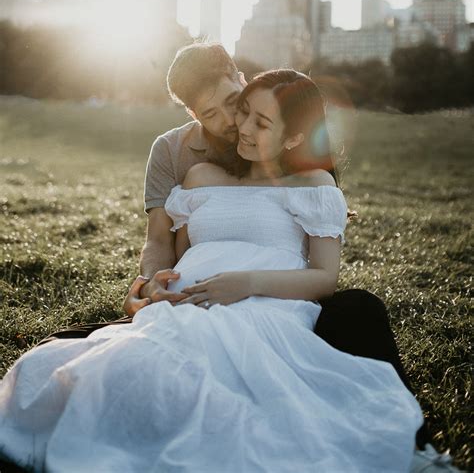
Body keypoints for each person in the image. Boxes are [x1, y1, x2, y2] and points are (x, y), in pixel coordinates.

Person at [0, 68, 459, 472]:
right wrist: (154, 283)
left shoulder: (314, 186)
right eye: (244, 114)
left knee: (246, 391)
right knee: (77, 369)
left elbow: (325, 279)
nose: (240, 126)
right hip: (187, 305)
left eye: (260, 122)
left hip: (265, 305)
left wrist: (246, 283)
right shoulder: (198, 176)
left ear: (295, 138)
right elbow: (175, 253)